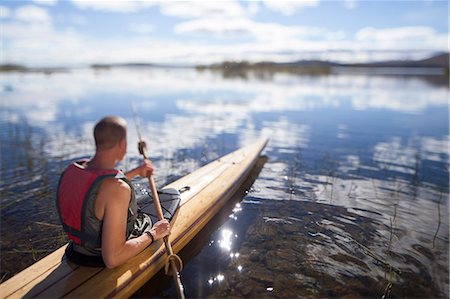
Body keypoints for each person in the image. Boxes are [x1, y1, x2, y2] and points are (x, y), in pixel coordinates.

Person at [56, 116, 171, 268]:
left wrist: (136, 171)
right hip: (99, 257)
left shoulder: (72, 170)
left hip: (76, 250)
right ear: (122, 144)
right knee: (172, 200)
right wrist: (154, 233)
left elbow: (98, 187)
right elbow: (113, 259)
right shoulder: (118, 189)